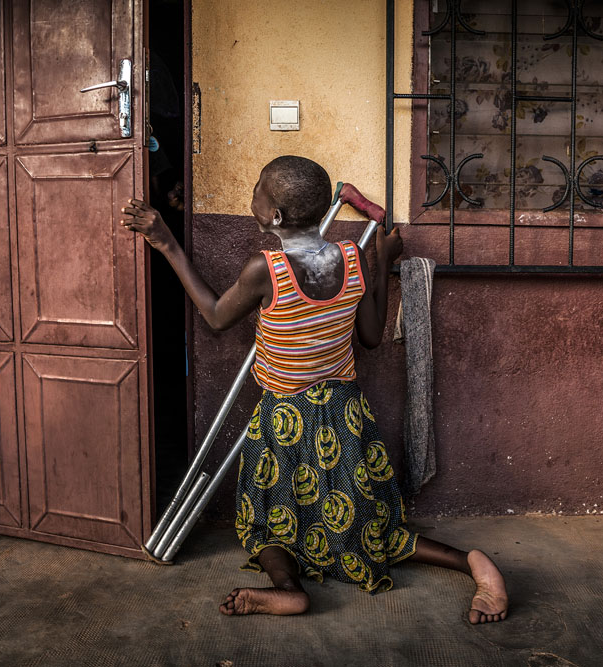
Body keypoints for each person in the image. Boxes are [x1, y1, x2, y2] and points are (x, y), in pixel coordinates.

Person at [120, 155, 508, 624]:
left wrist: (166, 243)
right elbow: (369, 337)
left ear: (275, 216)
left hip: (283, 419)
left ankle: (288, 589)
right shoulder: (350, 258)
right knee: (372, 523)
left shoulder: (264, 269)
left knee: (267, 525)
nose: (254, 195)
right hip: (346, 416)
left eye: (259, 190)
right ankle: (472, 562)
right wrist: (380, 264)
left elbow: (216, 318)